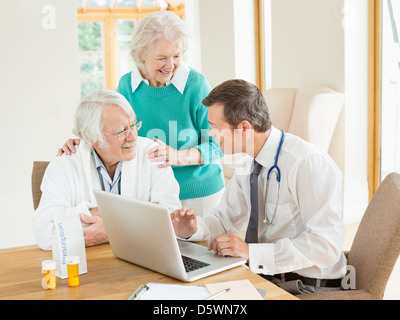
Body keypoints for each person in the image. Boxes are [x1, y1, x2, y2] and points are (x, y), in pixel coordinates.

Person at [171, 79, 347, 294]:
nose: (210, 134)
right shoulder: (248, 160)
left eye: (215, 127)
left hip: (307, 285)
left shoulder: (306, 162)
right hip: (266, 274)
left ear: (244, 127)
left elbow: (326, 246)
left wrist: (251, 253)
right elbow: (223, 219)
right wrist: (192, 229)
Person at [59, 11, 225, 216]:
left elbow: (219, 144)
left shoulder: (196, 85)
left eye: (176, 56)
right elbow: (110, 129)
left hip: (198, 195)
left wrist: (179, 156)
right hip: (149, 193)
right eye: (162, 58)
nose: (171, 65)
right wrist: (82, 141)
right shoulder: (127, 86)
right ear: (140, 56)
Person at [34, 89, 181, 250]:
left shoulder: (153, 154)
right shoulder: (64, 166)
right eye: (121, 131)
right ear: (93, 138)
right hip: (88, 267)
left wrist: (110, 230)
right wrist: (135, 217)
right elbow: (45, 234)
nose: (133, 137)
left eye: (133, 125)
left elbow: (171, 220)